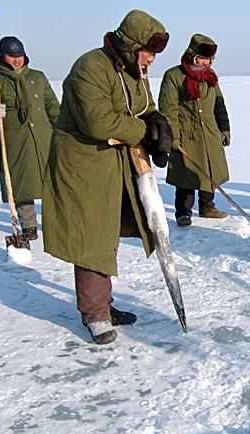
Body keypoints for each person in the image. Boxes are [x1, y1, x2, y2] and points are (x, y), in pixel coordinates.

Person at [42, 10, 172, 344]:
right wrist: (145, 132)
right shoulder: (90, 67)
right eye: (149, 53)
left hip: (117, 164)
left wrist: (158, 124)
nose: (152, 61)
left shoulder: (134, 70)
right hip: (85, 166)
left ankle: (104, 303)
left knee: (107, 233)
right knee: (92, 238)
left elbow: (143, 106)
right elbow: (98, 122)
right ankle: (95, 314)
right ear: (131, 46)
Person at [0, 36, 60, 241]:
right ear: (2, 57)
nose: (17, 60)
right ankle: (29, 226)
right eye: (12, 56)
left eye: (20, 56)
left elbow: (53, 107)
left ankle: (54, 224)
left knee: (52, 183)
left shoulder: (38, 78)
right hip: (15, 141)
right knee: (23, 185)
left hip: (43, 138)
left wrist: (63, 130)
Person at [159, 33, 230, 227]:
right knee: (186, 174)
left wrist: (224, 129)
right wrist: (172, 137)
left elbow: (219, 105)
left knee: (210, 171)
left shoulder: (210, 78)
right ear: (192, 55)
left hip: (209, 132)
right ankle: (183, 212)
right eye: (203, 58)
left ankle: (207, 206)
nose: (207, 63)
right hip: (186, 134)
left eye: (210, 59)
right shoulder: (174, 76)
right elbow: (168, 110)